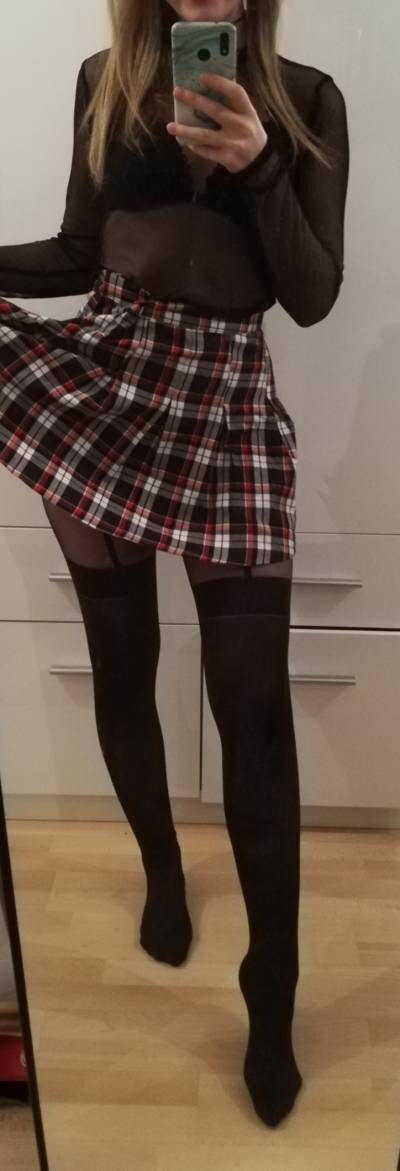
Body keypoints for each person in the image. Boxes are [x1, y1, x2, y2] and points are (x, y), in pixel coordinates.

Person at [0, 0, 349, 1128]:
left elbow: (312, 295)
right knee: (122, 658)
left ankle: (271, 984)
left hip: (225, 396)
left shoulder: (307, 99)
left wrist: (259, 166)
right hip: (110, 372)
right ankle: (160, 866)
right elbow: (76, 251)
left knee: (254, 707)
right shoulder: (103, 79)